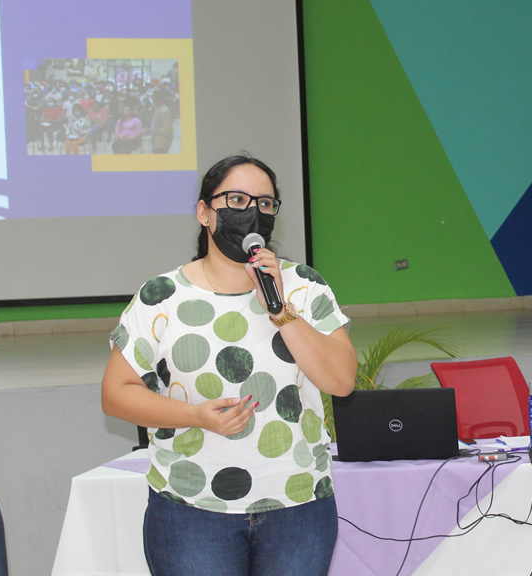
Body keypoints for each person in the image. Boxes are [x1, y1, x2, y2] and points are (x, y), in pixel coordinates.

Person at [101, 154, 357, 576]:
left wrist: (283, 312)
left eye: (265, 203)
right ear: (205, 212)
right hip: (192, 510)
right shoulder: (162, 295)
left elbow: (341, 381)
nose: (252, 212)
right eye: (236, 199)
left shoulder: (305, 287)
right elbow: (116, 393)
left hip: (298, 506)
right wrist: (194, 416)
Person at [150, 89, 174, 154]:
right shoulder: (158, 108)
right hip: (157, 141)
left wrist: (152, 130)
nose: (152, 99)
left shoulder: (164, 110)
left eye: (153, 97)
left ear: (157, 98)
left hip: (162, 142)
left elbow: (166, 129)